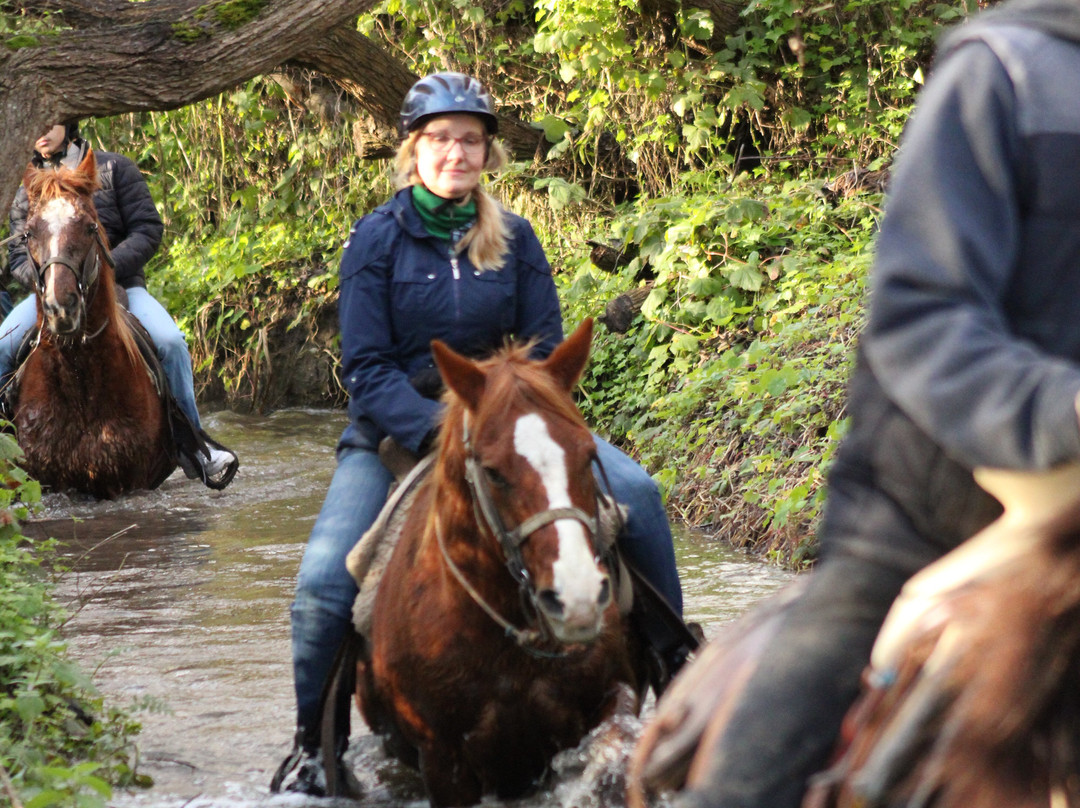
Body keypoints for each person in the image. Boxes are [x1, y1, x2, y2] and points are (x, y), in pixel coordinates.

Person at [678, 1, 1080, 806]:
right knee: (767, 755)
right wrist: (1063, 414)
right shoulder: (1004, 70)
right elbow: (922, 314)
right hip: (935, 499)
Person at [271, 72, 692, 796]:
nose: (455, 153)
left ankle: (675, 671)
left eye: (469, 140)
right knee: (318, 584)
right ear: (414, 151)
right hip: (398, 438)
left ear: (487, 153)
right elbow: (366, 370)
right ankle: (317, 747)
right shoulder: (374, 241)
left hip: (513, 436)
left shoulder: (518, 240)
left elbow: (544, 355)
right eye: (440, 139)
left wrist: (504, 428)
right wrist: (444, 432)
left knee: (641, 495)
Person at [4, 122, 238, 488]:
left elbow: (147, 229)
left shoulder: (115, 168)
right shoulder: (28, 186)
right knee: (2, 345)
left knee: (171, 342)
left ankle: (195, 444)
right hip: (51, 290)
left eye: (50, 123)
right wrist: (47, 280)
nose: (41, 131)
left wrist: (106, 268)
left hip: (121, 286)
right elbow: (17, 251)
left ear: (69, 122)